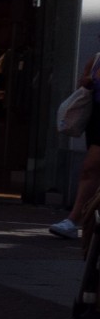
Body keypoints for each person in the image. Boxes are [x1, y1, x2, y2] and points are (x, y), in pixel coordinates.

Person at [51, 44, 100, 240]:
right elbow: (83, 84)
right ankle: (74, 221)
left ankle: (74, 220)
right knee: (91, 170)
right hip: (97, 118)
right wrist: (86, 83)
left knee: (91, 167)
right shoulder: (97, 59)